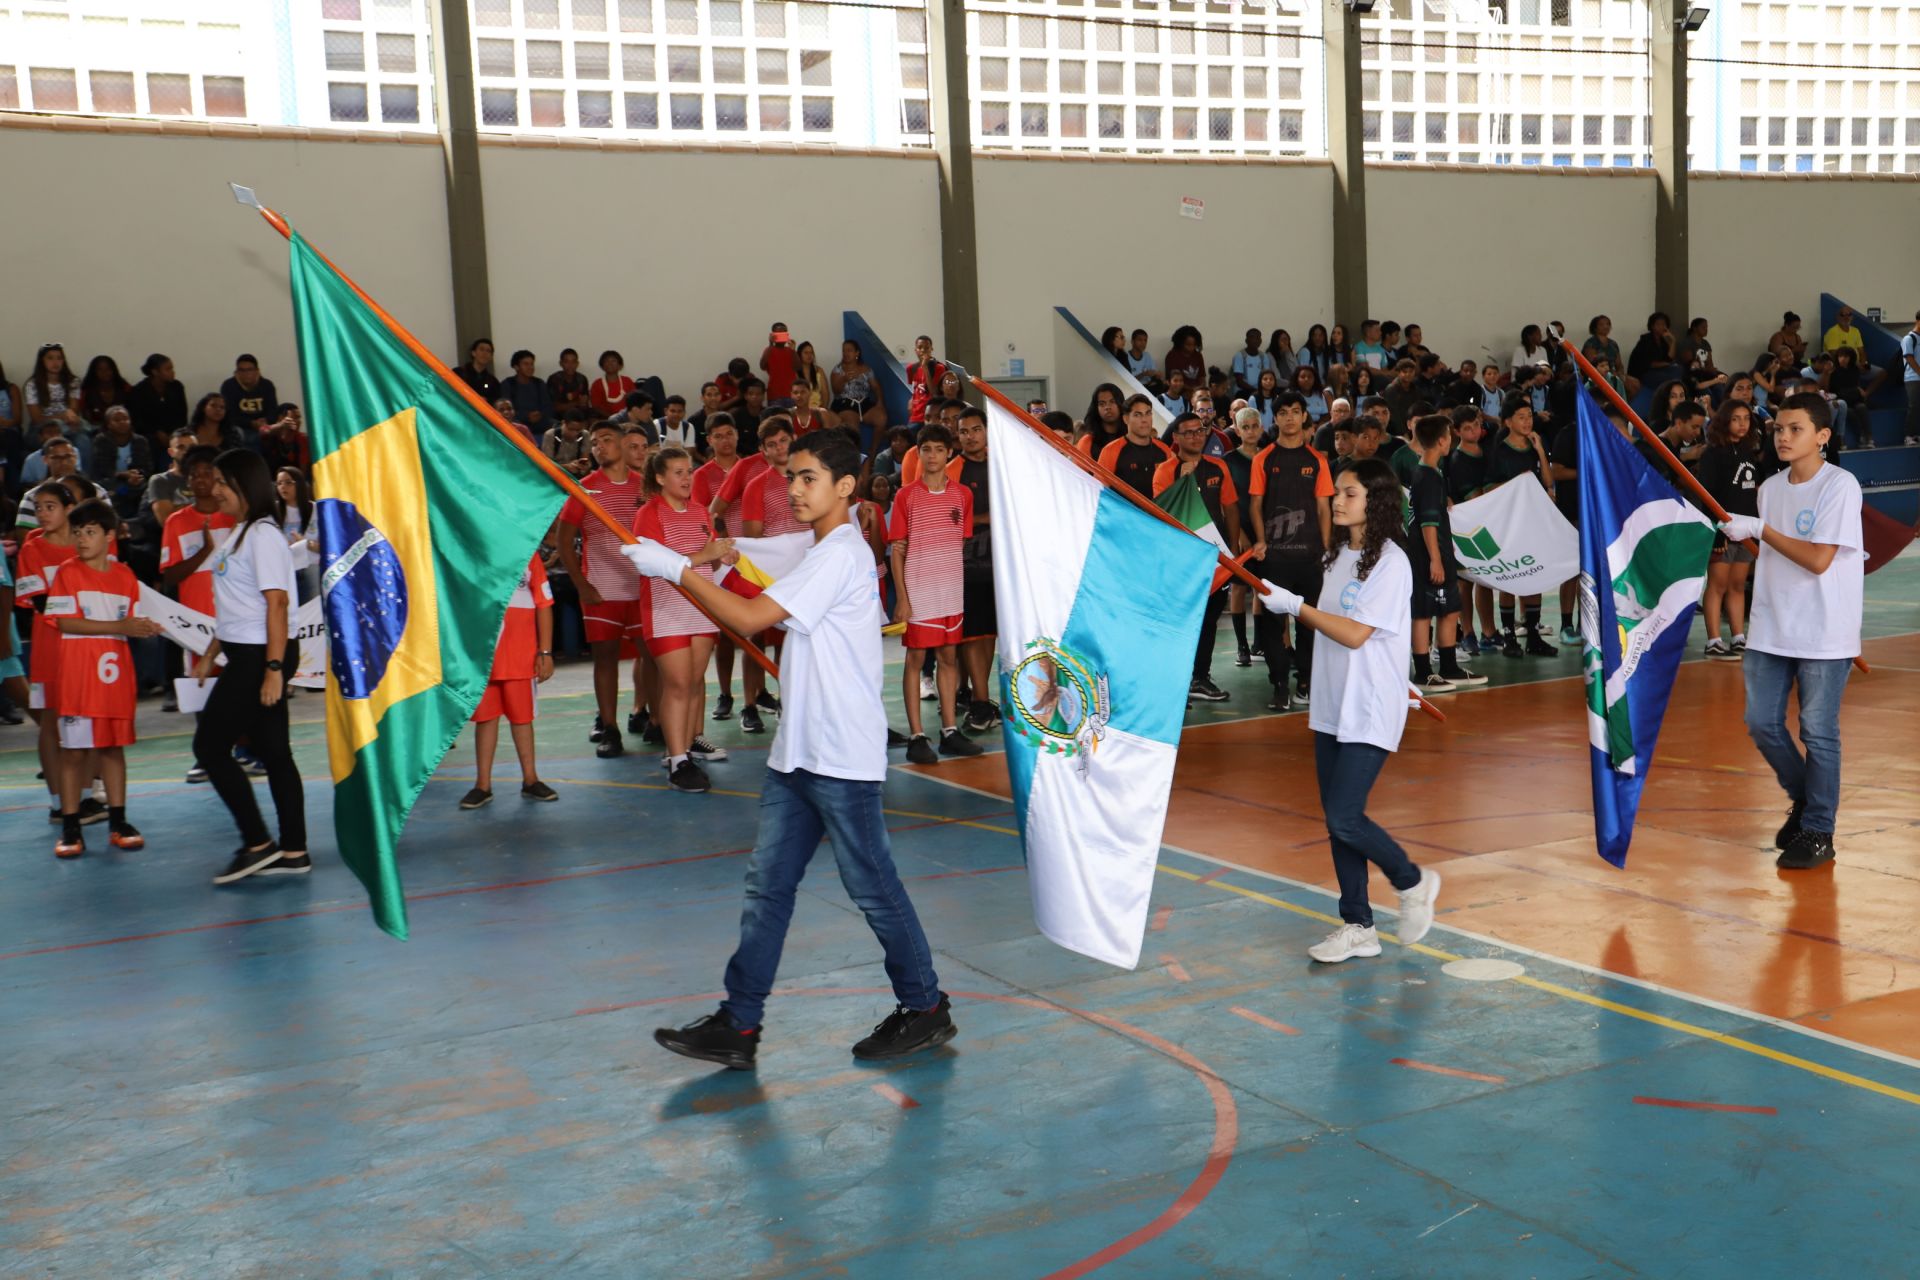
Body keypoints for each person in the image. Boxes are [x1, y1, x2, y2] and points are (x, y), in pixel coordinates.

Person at [628, 429, 956, 1070]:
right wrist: (713, 558)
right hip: (797, 752)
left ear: (844, 488)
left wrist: (675, 569)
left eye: (809, 478)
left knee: (872, 888)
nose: (795, 488)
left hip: (841, 756)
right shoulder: (813, 549)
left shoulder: (840, 555)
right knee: (767, 889)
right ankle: (739, 1024)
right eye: (792, 478)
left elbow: (749, 619)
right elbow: (761, 562)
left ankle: (924, 1007)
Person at [1257, 459, 1441, 963]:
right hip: (1334, 703)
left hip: (1369, 706)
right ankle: (1358, 925)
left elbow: (1357, 634)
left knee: (1343, 816)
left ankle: (1413, 881)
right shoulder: (1338, 555)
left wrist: (1295, 607)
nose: (1337, 500)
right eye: (1337, 492)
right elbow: (1359, 627)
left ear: (1375, 501)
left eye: (1349, 493)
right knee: (1340, 819)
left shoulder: (1392, 562)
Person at [1719, 394, 1864, 871]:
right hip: (1771, 627)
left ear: (1822, 435)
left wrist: (1760, 529)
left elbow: (1820, 560)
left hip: (1824, 630)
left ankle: (1819, 831)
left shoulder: (1839, 486)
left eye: (1795, 429)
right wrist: (1750, 535)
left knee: (1819, 732)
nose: (1782, 436)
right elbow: (1777, 556)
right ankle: (1806, 798)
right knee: (1761, 722)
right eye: (1779, 428)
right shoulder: (1770, 488)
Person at [192, 451, 308, 884]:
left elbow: (276, 603)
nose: (214, 488)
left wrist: (274, 668)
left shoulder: (263, 535)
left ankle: (258, 843)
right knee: (275, 752)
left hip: (262, 654)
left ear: (244, 484)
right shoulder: (239, 533)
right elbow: (238, 607)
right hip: (248, 650)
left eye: (223, 481)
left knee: (209, 748)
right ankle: (294, 850)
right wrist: (210, 651)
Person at [43, 500, 158, 859]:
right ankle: (71, 826)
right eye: (77, 532)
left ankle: (118, 821)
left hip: (114, 679)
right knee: (74, 752)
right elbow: (65, 623)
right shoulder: (67, 572)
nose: (81, 539)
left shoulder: (125, 576)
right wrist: (120, 626)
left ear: (110, 536)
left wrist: (145, 628)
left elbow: (134, 622)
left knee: (112, 749)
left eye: (90, 532)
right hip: (78, 678)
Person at [633, 446, 732, 792]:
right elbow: (652, 562)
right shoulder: (649, 513)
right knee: (676, 684)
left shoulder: (701, 512)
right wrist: (706, 553)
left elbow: (710, 560)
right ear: (660, 478)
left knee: (691, 682)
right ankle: (677, 760)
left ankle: (685, 748)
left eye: (688, 471)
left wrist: (723, 555)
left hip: (701, 607)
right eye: (678, 472)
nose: (687, 478)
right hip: (666, 608)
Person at [888, 423, 983, 765]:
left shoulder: (962, 496)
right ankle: (916, 735)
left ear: (949, 453)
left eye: (938, 450)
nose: (932, 456)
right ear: (918, 453)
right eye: (926, 449)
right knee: (915, 661)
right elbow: (897, 550)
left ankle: (949, 731)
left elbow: (959, 543)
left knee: (948, 659)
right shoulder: (906, 496)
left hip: (950, 592)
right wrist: (903, 597)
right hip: (919, 592)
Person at [555, 421, 647, 758]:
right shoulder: (586, 488)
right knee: (605, 660)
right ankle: (610, 728)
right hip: (601, 590)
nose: (599, 447)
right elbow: (564, 541)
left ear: (624, 444)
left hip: (641, 588)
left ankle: (653, 717)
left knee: (649, 657)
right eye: (595, 443)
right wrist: (581, 584)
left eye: (607, 440)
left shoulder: (644, 486)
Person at [17, 482, 104, 825]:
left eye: (49, 506)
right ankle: (57, 803)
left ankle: (83, 798)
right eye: (38, 507)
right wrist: (81, 611)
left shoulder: (87, 543)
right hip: (52, 649)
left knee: (89, 719)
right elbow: (39, 603)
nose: (42, 513)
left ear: (70, 509)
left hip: (89, 647)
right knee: (53, 724)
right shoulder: (32, 548)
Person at [1249, 389, 1335, 711]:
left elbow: (1324, 508)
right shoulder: (1263, 458)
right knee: (1273, 625)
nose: (1289, 417)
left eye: (1295, 411)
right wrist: (1261, 540)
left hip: (1311, 557)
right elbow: (1256, 505)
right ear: (1276, 418)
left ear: (1303, 417)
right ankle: (1280, 685)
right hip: (1275, 559)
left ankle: (1306, 682)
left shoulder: (1317, 461)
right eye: (1282, 412)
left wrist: (1326, 549)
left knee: (1309, 623)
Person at [1154, 412, 1244, 702]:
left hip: (1214, 558)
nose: (1196, 436)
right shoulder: (1165, 471)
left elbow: (1229, 507)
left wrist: (1231, 549)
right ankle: (1175, 680)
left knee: (1209, 620)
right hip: (1181, 562)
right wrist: (1182, 482)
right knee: (1180, 621)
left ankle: (1200, 677)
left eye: (1199, 430)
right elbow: (1161, 512)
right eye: (1188, 432)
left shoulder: (1219, 467)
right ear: (1176, 438)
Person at [461, 552, 559, 810]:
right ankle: (482, 784)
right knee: (485, 719)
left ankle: (531, 779)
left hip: (520, 657)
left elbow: (544, 604)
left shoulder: (528, 555)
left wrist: (545, 652)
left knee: (522, 719)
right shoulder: (476, 554)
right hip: (484, 658)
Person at [1405, 416, 1485, 693]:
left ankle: (1449, 666)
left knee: (1450, 609)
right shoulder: (1427, 476)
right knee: (1424, 612)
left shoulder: (1431, 473)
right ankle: (1423, 672)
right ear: (1441, 441)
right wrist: (1435, 559)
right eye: (1448, 436)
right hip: (1428, 556)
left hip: (1439, 551)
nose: (1450, 440)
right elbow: (1427, 523)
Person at [1485, 394, 1558, 658]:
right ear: (1507, 421)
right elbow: (1489, 487)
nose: (1528, 421)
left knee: (1534, 574)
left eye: (1530, 416)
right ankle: (1508, 635)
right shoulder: (1499, 450)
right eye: (1521, 417)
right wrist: (1519, 485)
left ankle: (1533, 634)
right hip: (1509, 522)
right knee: (1511, 577)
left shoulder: (1535, 444)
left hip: (1533, 520)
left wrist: (1539, 450)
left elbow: (1548, 482)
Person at [1697, 399, 1760, 659]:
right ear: (1724, 421)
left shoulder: (1749, 452)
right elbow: (1707, 495)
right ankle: (1713, 640)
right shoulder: (1713, 454)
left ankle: (1738, 637)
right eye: (1736, 418)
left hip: (1745, 532)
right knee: (1718, 584)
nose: (1742, 423)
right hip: (1723, 532)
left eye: (1746, 418)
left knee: (1737, 584)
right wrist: (1717, 531)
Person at [950, 406, 1000, 734]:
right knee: (972, 635)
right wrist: (987, 519)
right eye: (964, 431)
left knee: (989, 633)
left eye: (976, 429)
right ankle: (980, 700)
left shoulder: (1002, 464)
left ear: (986, 431)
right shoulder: (953, 470)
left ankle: (983, 698)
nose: (970, 436)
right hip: (966, 566)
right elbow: (949, 519)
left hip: (1002, 565)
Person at [1095, 394, 1174, 498]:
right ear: (1125, 419)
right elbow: (1099, 491)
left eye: (1148, 413)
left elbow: (1173, 490)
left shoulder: (1164, 450)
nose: (1144, 420)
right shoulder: (1111, 450)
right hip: (1124, 513)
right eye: (1137, 415)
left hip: (1157, 513)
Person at [124, 354, 189, 443]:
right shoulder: (139, 391)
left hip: (174, 434)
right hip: (148, 435)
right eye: (168, 369)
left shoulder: (176, 387)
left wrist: (174, 433)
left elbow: (182, 414)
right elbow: (137, 419)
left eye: (172, 368)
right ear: (155, 372)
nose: (172, 372)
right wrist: (156, 432)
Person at [221, 354, 281, 439]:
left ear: (257, 371)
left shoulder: (267, 385)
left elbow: (273, 411)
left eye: (249, 370)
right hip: (240, 427)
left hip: (265, 425)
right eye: (241, 370)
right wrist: (251, 423)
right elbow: (229, 415)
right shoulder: (229, 386)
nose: (246, 374)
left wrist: (266, 420)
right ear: (236, 372)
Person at [504, 349, 553, 431]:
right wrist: (526, 416)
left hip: (541, 423)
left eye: (532, 364)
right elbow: (506, 410)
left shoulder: (539, 383)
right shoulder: (508, 384)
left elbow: (548, 406)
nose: (530, 367)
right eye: (526, 364)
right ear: (516, 367)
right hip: (518, 425)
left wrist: (540, 415)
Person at [78, 354, 131, 428]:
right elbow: (87, 418)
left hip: (123, 427)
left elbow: (133, 412)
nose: (104, 372)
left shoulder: (124, 388)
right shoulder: (87, 391)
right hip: (96, 429)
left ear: (114, 370)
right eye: (100, 369)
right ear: (94, 372)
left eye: (108, 369)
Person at [542, 406, 595, 476]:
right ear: (563, 423)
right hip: (555, 474)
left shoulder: (585, 435)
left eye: (578, 430)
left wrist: (584, 466)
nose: (575, 433)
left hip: (577, 475)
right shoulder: (550, 435)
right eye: (571, 429)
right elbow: (546, 465)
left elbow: (585, 458)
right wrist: (567, 467)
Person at [905, 335, 945, 426]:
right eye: (920, 347)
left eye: (926, 348)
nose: (923, 350)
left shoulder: (939, 368)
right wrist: (911, 400)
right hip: (915, 415)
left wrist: (925, 367)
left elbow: (934, 392)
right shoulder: (911, 368)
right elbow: (915, 389)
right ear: (915, 350)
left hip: (930, 416)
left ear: (931, 349)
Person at [589, 350, 635, 419]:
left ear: (620, 366)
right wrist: (613, 418)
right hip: (605, 420)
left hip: (627, 418)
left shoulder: (627, 381)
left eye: (613, 361)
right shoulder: (597, 384)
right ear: (602, 366)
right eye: (606, 361)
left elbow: (634, 402)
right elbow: (596, 407)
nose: (610, 363)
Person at [547, 348, 591, 419]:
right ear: (561, 363)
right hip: (559, 417)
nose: (570, 365)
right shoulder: (554, 379)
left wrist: (583, 403)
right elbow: (554, 407)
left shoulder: (582, 379)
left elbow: (584, 404)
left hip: (578, 416)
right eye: (566, 362)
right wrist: (577, 403)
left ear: (577, 364)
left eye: (573, 362)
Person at [1232, 328, 1276, 396]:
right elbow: (1239, 382)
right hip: (1243, 391)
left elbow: (1267, 375)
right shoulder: (1240, 356)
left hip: (1260, 390)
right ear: (1246, 340)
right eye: (1252, 337)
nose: (1255, 340)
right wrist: (1255, 391)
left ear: (1260, 341)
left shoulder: (1263, 356)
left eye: (1258, 338)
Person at [1902, 309, 1920, 447]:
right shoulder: (1909, 339)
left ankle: (1917, 434)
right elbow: (1910, 358)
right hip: (1913, 378)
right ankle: (1909, 435)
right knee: (1913, 406)